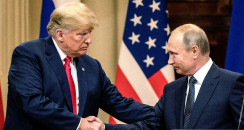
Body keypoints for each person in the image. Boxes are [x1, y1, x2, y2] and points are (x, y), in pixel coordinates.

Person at [3, 2, 153, 130]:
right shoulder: (29, 54)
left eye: (89, 33)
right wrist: (79, 123)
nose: (89, 40)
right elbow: (32, 102)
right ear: (60, 35)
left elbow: (118, 103)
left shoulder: (91, 65)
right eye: (82, 34)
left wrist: (163, 113)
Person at [113, 24, 244, 129]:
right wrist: (103, 128)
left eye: (174, 54)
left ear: (195, 51)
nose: (169, 61)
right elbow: (149, 125)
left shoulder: (232, 84)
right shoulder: (172, 89)